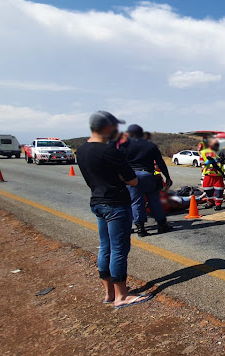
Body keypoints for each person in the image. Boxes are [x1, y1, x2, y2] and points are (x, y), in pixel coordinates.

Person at [76, 111, 151, 309]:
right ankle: (122, 296)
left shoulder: (81, 150)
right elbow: (132, 180)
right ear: (107, 127)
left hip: (97, 201)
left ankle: (109, 293)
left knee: (105, 246)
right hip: (116, 203)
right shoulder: (110, 151)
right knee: (119, 249)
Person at [123, 124, 173, 236]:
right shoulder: (150, 145)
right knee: (154, 200)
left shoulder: (124, 146)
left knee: (136, 201)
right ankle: (161, 225)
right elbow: (160, 162)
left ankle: (140, 228)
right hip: (147, 175)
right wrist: (167, 177)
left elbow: (119, 163)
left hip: (132, 176)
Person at [200, 139, 225, 210]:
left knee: (219, 190)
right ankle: (210, 202)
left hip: (218, 174)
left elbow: (224, 161)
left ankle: (218, 204)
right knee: (207, 189)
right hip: (208, 174)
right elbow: (201, 162)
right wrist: (207, 163)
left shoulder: (221, 151)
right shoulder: (203, 152)